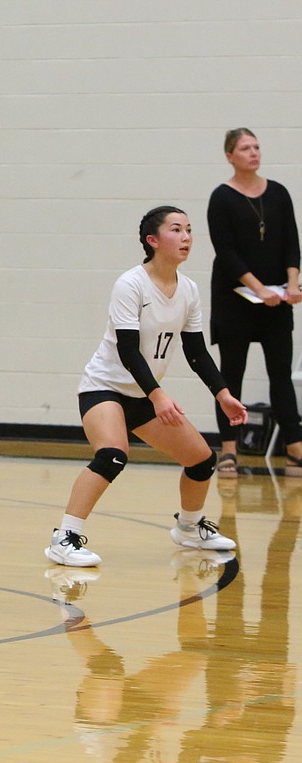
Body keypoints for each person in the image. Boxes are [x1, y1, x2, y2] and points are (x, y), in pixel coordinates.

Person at [45, 206, 248, 568]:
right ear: (152, 241)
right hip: (104, 389)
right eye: (176, 230)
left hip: (143, 394)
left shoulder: (188, 289)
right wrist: (158, 395)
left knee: (202, 460)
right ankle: (65, 537)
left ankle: (188, 527)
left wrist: (223, 393)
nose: (186, 237)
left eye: (188, 230)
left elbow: (197, 351)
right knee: (112, 455)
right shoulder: (131, 284)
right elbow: (127, 350)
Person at [208, 128, 302, 477]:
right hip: (236, 299)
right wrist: (258, 288)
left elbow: (292, 242)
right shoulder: (221, 197)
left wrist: (291, 284)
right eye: (245, 148)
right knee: (231, 375)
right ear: (230, 155)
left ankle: (295, 447)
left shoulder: (278, 193)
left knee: (280, 375)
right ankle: (229, 449)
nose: (253, 152)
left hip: (276, 301)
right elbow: (226, 252)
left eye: (256, 146)